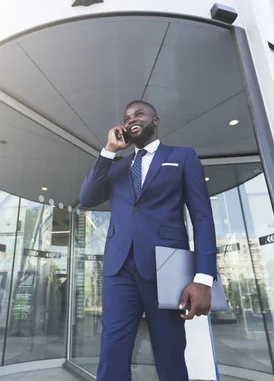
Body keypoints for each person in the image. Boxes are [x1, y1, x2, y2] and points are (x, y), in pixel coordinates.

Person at [79, 100, 218, 380]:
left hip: (166, 267)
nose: (132, 119)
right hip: (119, 268)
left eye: (139, 114)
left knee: (169, 350)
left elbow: (202, 218)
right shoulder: (116, 167)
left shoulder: (182, 157)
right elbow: (87, 199)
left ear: (156, 121)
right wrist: (108, 151)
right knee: (112, 349)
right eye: (127, 116)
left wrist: (203, 278)